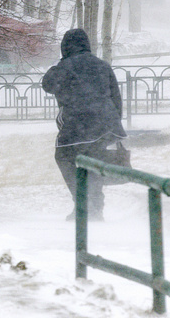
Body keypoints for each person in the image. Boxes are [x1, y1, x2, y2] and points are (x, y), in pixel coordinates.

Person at [42, 28, 127, 221]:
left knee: (64, 157)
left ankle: (82, 205)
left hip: (77, 125)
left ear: (65, 47)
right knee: (92, 164)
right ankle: (95, 209)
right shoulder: (103, 65)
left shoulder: (65, 67)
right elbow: (116, 98)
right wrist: (114, 124)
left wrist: (62, 63)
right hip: (105, 125)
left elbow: (47, 84)